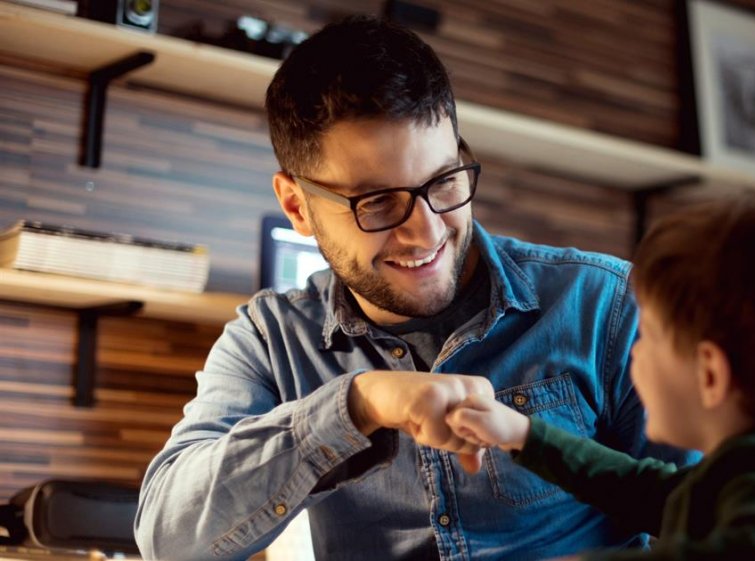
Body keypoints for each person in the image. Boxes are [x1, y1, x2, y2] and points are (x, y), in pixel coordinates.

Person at [133, 14, 696, 561]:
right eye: (377, 202)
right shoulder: (269, 340)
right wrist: (355, 405)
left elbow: (716, 526)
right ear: (296, 205)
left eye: (444, 181)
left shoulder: (607, 306)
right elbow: (169, 539)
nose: (426, 232)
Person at [443, 185, 755, 560]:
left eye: (650, 339)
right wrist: (524, 434)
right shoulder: (747, 469)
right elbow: (638, 489)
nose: (634, 354)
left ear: (709, 375)